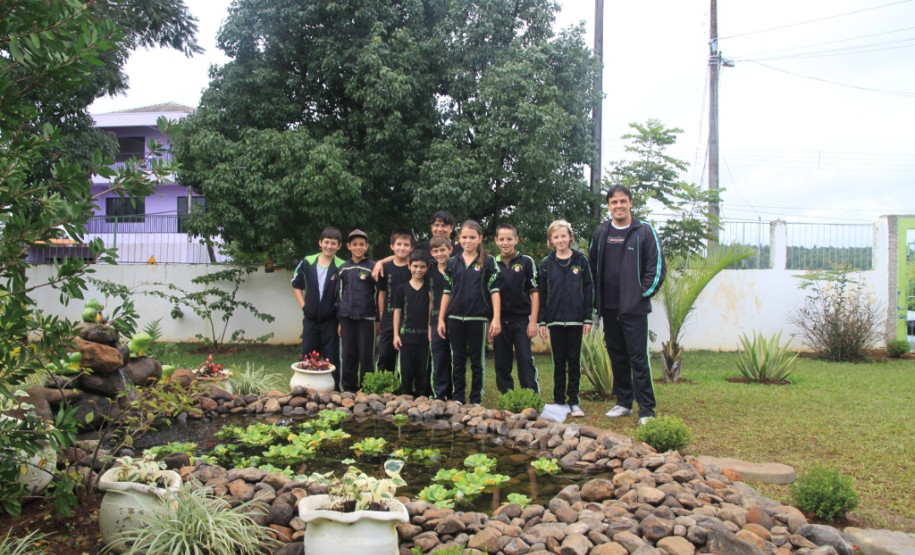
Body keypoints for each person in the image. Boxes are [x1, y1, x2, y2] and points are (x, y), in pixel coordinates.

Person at [589, 184, 666, 425]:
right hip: (609, 308)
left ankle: (647, 410)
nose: (619, 206)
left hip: (634, 309)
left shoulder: (644, 231)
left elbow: (656, 269)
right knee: (617, 357)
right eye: (614, 202)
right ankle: (623, 402)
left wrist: (641, 295)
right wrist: (596, 305)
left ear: (631, 203)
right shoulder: (601, 232)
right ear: (609, 206)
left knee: (638, 359)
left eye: (623, 201)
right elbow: (593, 269)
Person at [437, 220, 502, 406]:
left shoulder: (488, 262)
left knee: (476, 362)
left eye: (472, 237)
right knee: (457, 360)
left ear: (480, 238)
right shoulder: (452, 263)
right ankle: (458, 398)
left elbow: (495, 291)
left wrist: (496, 318)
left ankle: (475, 400)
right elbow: (446, 292)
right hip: (455, 319)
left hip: (478, 318)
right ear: (458, 239)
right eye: (464, 237)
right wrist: (441, 319)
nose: (468, 240)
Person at [538, 220, 593, 417]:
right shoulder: (546, 264)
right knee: (559, 361)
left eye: (563, 236)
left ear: (570, 237)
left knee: (573, 361)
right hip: (554, 320)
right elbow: (542, 294)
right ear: (551, 240)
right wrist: (542, 321)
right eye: (556, 237)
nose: (560, 240)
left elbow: (588, 290)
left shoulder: (581, 261)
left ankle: (574, 401)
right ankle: (559, 401)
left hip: (576, 320)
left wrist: (588, 318)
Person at [291, 227, 345, 376]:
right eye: (326, 242)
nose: (329, 246)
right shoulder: (307, 262)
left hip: (331, 320)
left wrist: (338, 314)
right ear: (320, 242)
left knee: (332, 358)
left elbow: (345, 293)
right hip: (311, 319)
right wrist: (304, 306)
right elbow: (296, 285)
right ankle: (306, 387)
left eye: (333, 243)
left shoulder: (342, 266)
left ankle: (334, 389)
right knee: (307, 356)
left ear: (339, 246)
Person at [493, 223, 540, 394]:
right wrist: (492, 321)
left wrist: (533, 321)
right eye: (502, 239)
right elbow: (489, 295)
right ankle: (507, 398)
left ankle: (531, 398)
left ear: (516, 240)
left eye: (509, 239)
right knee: (501, 363)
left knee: (525, 360)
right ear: (496, 241)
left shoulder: (526, 261)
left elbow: (534, 292)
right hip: (500, 322)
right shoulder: (491, 263)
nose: (505, 243)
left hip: (521, 321)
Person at [336, 229, 377, 392]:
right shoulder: (343, 268)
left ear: (366, 246)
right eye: (355, 245)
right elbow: (339, 295)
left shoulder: (372, 267)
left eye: (361, 244)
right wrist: (340, 319)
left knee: (366, 355)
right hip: (346, 318)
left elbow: (378, 294)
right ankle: (348, 388)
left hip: (367, 318)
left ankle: (367, 388)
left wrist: (378, 320)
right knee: (348, 354)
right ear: (348, 246)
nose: (358, 247)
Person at [372, 210, 462, 280]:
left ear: (451, 228)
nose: (439, 229)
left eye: (444, 225)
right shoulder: (422, 248)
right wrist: (380, 262)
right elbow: (402, 255)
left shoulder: (461, 248)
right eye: (436, 225)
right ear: (431, 227)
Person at [392, 249, 433, 397]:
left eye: (422, 266)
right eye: (415, 266)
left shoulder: (429, 288)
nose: (418, 270)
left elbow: (430, 310)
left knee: (422, 369)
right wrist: (396, 334)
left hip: (423, 338)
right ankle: (405, 396)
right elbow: (397, 311)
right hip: (405, 337)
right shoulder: (401, 288)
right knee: (406, 371)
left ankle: (422, 397)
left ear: (427, 268)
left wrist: (430, 329)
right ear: (409, 266)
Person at [377, 228, 414, 374]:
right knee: (386, 353)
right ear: (392, 246)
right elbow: (381, 294)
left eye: (406, 245)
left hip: (409, 317)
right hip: (388, 315)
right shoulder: (384, 268)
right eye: (399, 244)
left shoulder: (415, 267)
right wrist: (381, 314)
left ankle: (405, 386)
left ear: (411, 248)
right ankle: (384, 384)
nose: (402, 248)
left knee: (407, 354)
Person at [428, 235, 454, 400]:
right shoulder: (429, 273)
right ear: (431, 252)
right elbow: (429, 300)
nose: (440, 254)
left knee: (454, 359)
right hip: (435, 321)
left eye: (443, 250)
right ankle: (439, 394)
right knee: (438, 358)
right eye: (436, 251)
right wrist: (429, 325)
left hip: (454, 320)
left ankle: (454, 394)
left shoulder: (456, 269)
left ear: (450, 250)